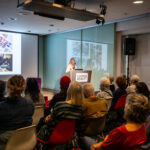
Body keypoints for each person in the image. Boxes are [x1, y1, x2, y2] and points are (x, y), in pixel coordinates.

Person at [36, 81, 83, 148]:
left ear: (69, 91)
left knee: (42, 121)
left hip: (53, 134)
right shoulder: (80, 109)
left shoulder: (60, 105)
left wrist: (46, 119)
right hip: (68, 136)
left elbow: (49, 121)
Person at [0, 75, 34, 149]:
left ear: (8, 87)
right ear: (23, 87)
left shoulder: (2, 107)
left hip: (4, 143)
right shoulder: (30, 103)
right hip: (25, 141)